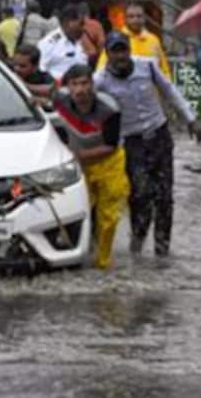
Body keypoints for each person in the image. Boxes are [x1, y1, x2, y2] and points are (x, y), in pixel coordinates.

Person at [95, 32, 200, 257]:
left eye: (123, 50)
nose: (121, 55)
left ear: (129, 50)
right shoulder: (101, 80)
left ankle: (162, 250)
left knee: (164, 196)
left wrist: (189, 117)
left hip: (159, 136)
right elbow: (82, 100)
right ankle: (137, 243)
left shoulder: (148, 66)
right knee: (140, 195)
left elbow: (169, 90)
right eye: (115, 51)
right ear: (108, 54)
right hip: (131, 144)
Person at [50, 65, 129, 269]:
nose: (80, 90)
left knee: (108, 215)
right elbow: (43, 93)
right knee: (75, 210)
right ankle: (74, 256)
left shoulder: (109, 108)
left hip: (109, 163)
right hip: (80, 164)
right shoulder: (60, 100)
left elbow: (110, 146)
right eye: (74, 84)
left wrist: (78, 155)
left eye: (84, 83)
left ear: (92, 85)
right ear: (67, 86)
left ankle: (103, 261)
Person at [96, 1, 172, 77]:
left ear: (144, 18)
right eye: (131, 16)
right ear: (125, 19)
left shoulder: (154, 40)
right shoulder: (116, 40)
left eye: (139, 16)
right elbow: (101, 68)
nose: (135, 20)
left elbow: (164, 70)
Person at [38, 4, 88, 82]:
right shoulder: (49, 43)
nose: (84, 28)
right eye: (81, 23)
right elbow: (41, 70)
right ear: (68, 22)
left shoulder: (78, 42)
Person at [79, 2, 106, 68]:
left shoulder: (74, 25)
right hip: (92, 58)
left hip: (78, 58)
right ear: (88, 12)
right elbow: (101, 43)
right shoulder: (96, 24)